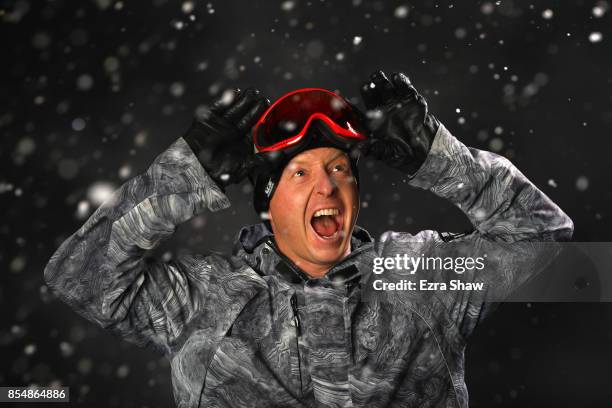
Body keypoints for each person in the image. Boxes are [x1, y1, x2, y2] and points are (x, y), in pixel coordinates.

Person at [44, 70, 573, 407]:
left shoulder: (419, 275)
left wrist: (438, 157)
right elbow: (79, 279)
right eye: (300, 174)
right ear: (268, 203)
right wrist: (181, 177)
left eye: (341, 170)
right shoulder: (200, 298)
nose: (328, 185)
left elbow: (542, 237)